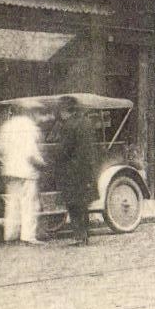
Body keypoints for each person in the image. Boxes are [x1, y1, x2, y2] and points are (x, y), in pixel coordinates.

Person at [0, 104, 45, 245]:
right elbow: (31, 152)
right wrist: (42, 164)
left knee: (12, 205)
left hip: (10, 170)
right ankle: (28, 237)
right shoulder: (29, 126)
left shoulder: (6, 126)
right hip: (26, 171)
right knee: (28, 204)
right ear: (28, 112)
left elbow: (1, 150)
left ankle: (10, 235)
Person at [56, 96, 98, 245]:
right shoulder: (87, 123)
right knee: (83, 204)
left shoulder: (68, 125)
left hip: (72, 171)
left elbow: (64, 150)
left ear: (65, 111)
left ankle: (79, 236)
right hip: (86, 169)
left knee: (73, 204)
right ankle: (85, 235)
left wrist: (56, 158)